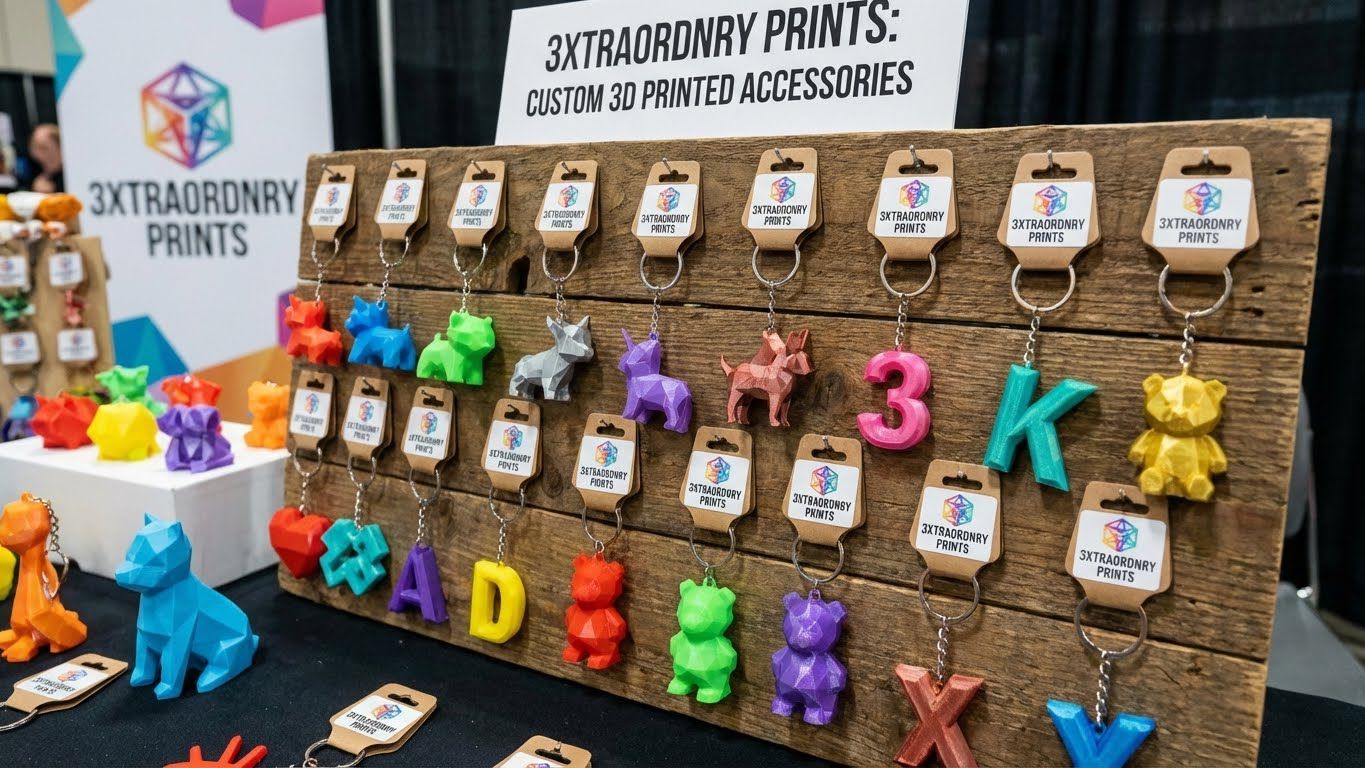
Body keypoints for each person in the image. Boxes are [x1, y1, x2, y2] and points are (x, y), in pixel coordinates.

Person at [26, 123, 63, 193]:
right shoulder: (35, 169)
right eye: (34, 148)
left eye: (44, 148)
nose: (37, 155)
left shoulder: (71, 174)